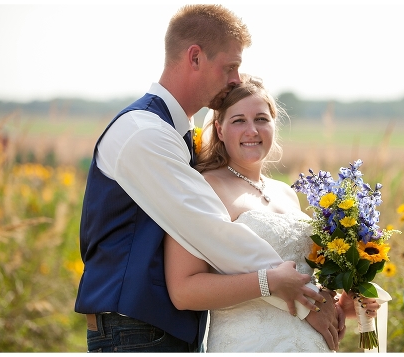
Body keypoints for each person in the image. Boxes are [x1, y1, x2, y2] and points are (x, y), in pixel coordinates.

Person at [75, 5, 337, 352]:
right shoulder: (143, 133)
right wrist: (306, 301)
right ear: (195, 57)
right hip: (134, 330)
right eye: (230, 66)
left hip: (162, 329)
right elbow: (210, 231)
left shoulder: (176, 135)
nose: (236, 79)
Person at [164, 74, 381, 352]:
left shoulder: (287, 193)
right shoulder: (204, 188)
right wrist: (268, 283)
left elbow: (302, 279)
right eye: (238, 120)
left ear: (274, 125)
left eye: (262, 119)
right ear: (219, 130)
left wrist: (341, 306)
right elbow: (184, 291)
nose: (252, 130)